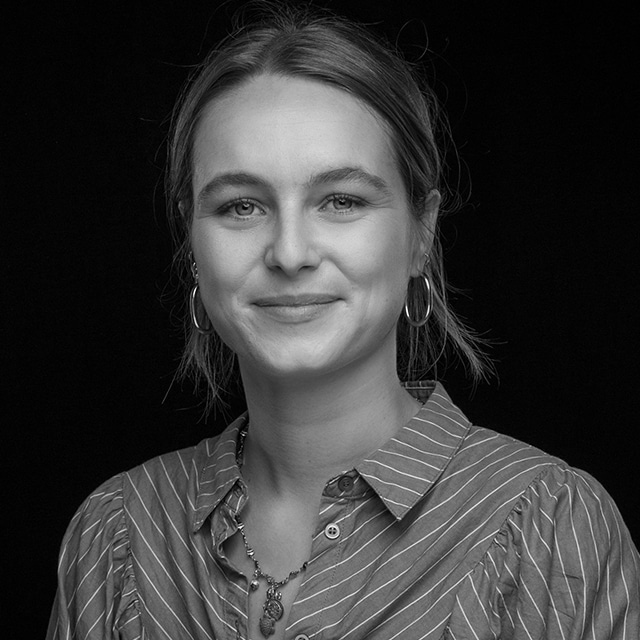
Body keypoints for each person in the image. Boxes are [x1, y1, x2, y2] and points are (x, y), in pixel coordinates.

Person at [47, 4, 639, 639]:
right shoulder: (115, 532)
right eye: (242, 206)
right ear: (192, 244)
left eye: (341, 201)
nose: (290, 253)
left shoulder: (549, 525)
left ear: (421, 234)